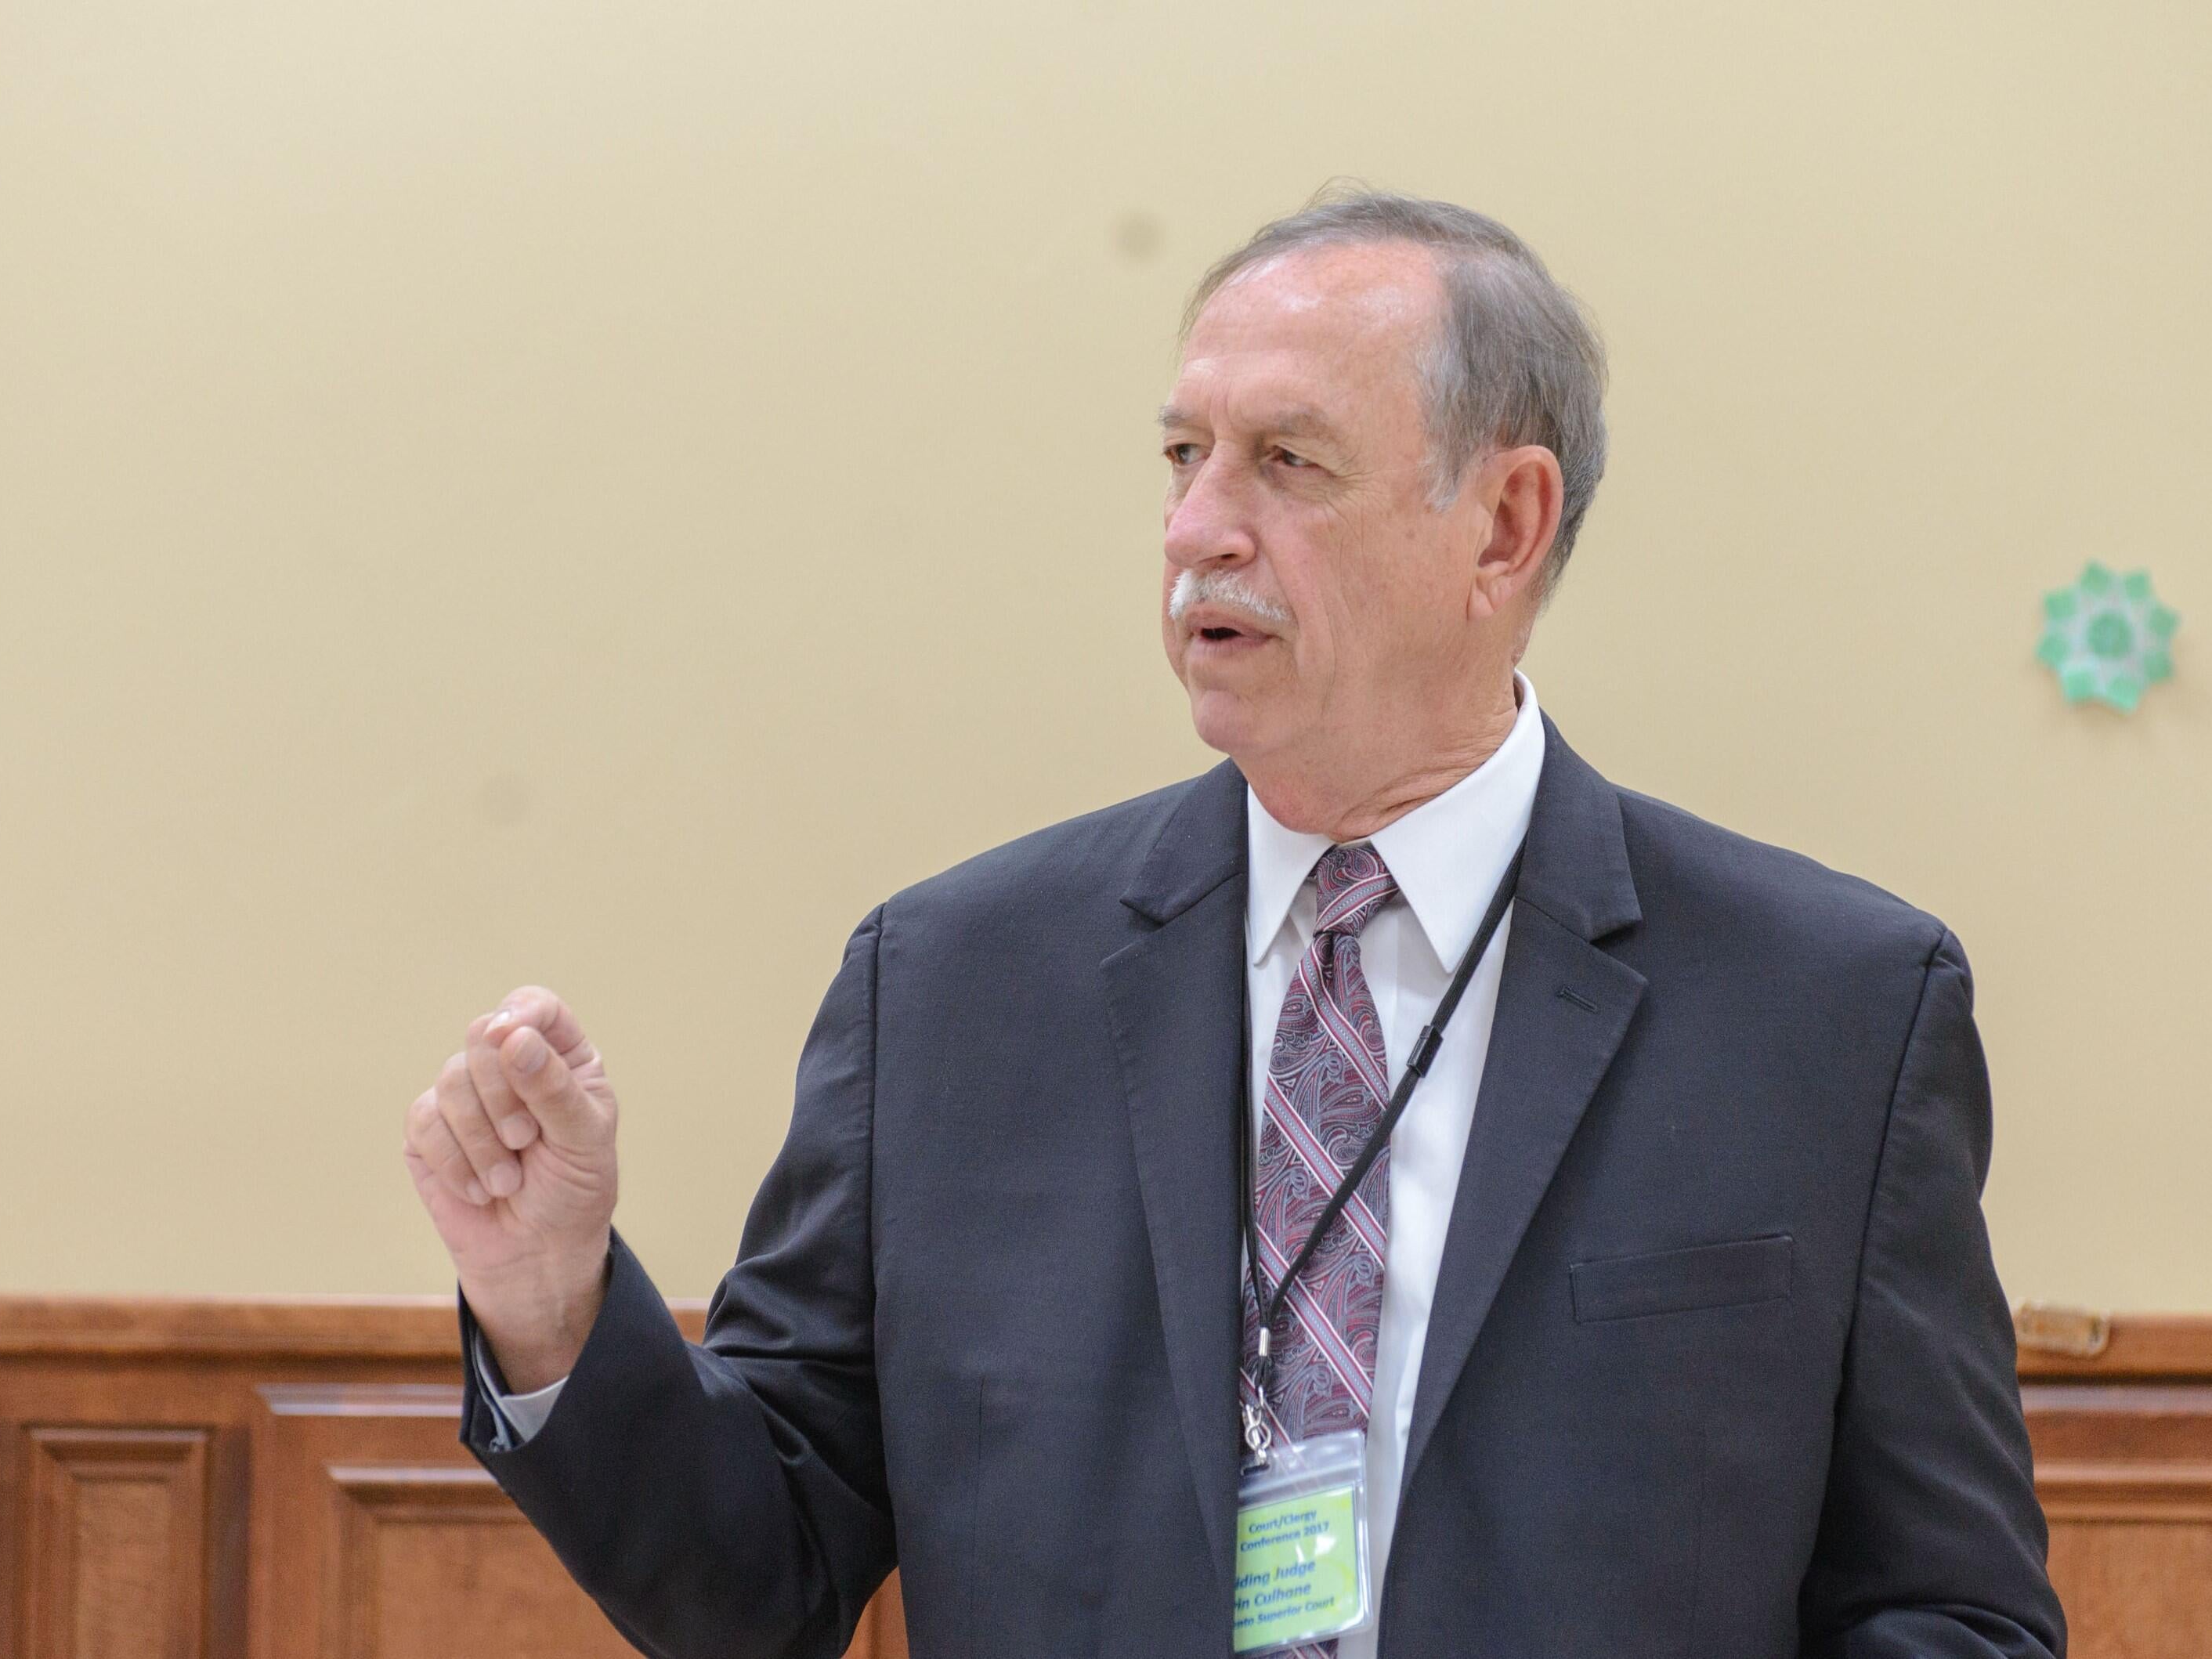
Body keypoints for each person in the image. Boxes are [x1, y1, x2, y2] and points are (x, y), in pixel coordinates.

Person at [401, 190, 2066, 1657]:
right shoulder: (953, 987)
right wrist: (552, 1302)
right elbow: (752, 1585)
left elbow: (1950, 1612)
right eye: (1184, 457)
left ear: (1503, 525)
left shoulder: (1831, 1012)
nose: (1199, 526)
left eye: (1287, 464)